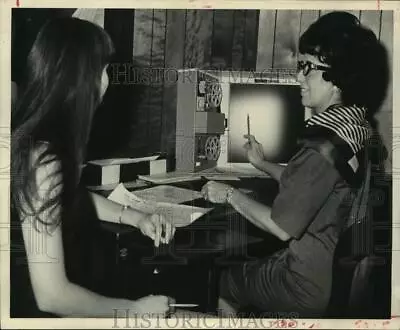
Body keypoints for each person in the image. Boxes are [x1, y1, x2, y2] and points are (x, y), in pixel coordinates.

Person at [201, 11, 388, 317]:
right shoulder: (356, 127)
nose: (298, 77)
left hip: (307, 283)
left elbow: (280, 227)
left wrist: (228, 195)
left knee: (227, 281)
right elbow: (316, 186)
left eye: (307, 68)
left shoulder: (322, 143)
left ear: (336, 78)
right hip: (337, 274)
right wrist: (263, 165)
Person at [11, 17, 176, 317]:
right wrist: (135, 310)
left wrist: (134, 217)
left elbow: (70, 201)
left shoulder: (38, 141)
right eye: (103, 69)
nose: (107, 80)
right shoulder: (44, 162)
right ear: (82, 77)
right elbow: (52, 296)